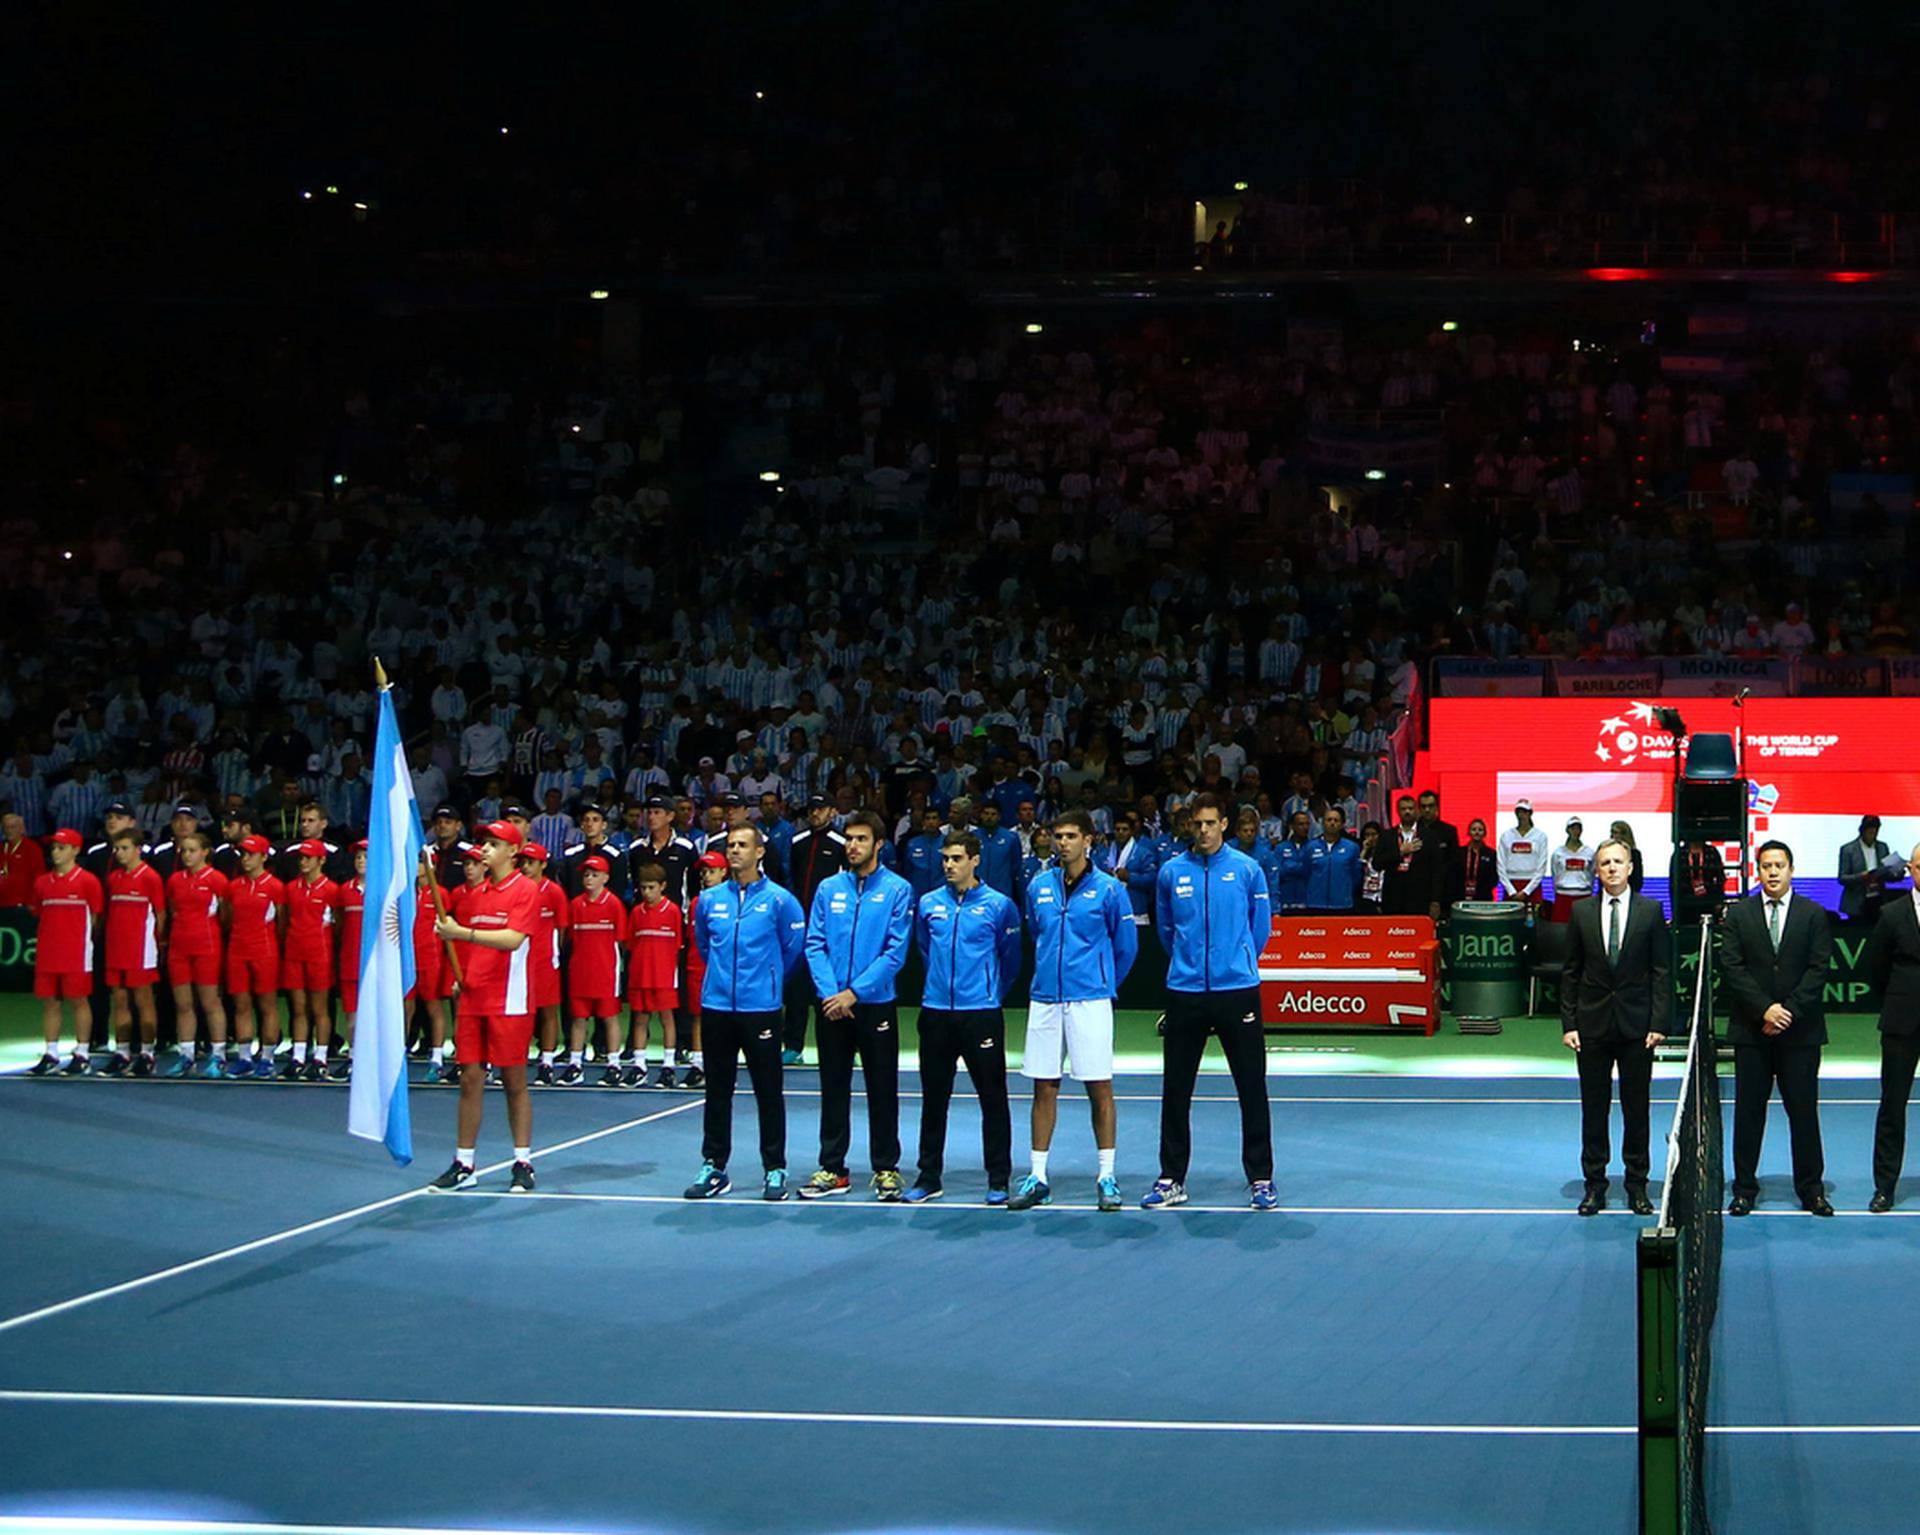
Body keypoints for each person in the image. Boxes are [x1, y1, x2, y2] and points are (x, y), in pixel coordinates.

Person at [1147, 791, 1278, 1210]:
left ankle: (1260, 1177)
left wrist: (1236, 963)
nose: (1202, 831)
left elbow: (1260, 929)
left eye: (1210, 823)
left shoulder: (1247, 869)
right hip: (1185, 993)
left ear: (1224, 824)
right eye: (1196, 824)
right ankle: (1171, 1178)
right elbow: (1166, 930)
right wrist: (1187, 964)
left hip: (1237, 990)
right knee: (1176, 1089)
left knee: (1251, 1086)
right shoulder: (1171, 872)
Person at [1011, 809, 1139, 1212]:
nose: (1062, 842)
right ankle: (1038, 1177)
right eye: (1057, 835)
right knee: (1043, 1086)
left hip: (1091, 999)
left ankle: (1106, 1176)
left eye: (1070, 836)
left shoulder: (1109, 890)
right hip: (1046, 998)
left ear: (1088, 840)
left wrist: (1102, 983)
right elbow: (1037, 933)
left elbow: (1126, 947)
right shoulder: (1038, 886)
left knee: (1098, 1086)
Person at [683, 823, 808, 1201]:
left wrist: (765, 981)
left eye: (742, 845)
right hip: (717, 1007)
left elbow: (792, 949)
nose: (734, 851)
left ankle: (775, 1168)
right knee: (717, 1091)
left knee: (768, 1091)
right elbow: (705, 946)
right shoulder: (709, 900)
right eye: (730, 845)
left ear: (759, 852)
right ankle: (714, 1166)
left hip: (761, 1010)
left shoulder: (780, 901)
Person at [800, 810, 914, 1200]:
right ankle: (833, 1169)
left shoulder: (898, 890)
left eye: (861, 839)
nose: (852, 845)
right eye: (849, 839)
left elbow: (895, 952)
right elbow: (813, 944)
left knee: (882, 1089)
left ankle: (886, 1169)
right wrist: (832, 993)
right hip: (832, 1006)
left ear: (878, 844)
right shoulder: (828, 889)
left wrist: (855, 993)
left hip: (875, 1004)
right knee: (833, 1088)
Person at [1718, 841, 1834, 1217]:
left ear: (1791, 869)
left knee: (1803, 1113)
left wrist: (1787, 1012)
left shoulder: (1813, 914)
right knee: (1749, 1113)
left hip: (1800, 1034)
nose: (1772, 872)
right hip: (1752, 1033)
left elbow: (1819, 969)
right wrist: (1765, 1009)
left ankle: (1811, 1190)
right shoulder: (1739, 915)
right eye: (1766, 865)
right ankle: (1744, 1189)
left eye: (1779, 865)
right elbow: (1732, 968)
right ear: (1757, 870)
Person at [907, 830, 1022, 1204]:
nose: (949, 865)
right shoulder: (927, 904)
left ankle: (999, 1178)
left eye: (956, 858)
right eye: (945, 859)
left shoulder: (999, 905)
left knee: (992, 1098)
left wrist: (989, 994)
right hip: (937, 1012)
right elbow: (924, 948)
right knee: (933, 1099)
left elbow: (1011, 960)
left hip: (982, 1015)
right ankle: (928, 1177)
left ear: (975, 860)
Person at [429, 820, 544, 1194]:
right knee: (469, 1079)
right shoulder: (472, 894)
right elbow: (464, 946)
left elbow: (512, 939)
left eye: (493, 844)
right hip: (474, 997)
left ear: (513, 851)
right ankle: (464, 1162)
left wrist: (461, 932)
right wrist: (460, 974)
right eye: (483, 843)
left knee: (514, 1081)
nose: (484, 850)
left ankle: (523, 1161)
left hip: (509, 999)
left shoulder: (526, 890)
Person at [1560, 839, 1670, 1216]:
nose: (1611, 868)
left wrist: (1658, 1022)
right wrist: (1569, 1023)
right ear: (1597, 869)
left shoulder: (1652, 911)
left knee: (1636, 1109)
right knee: (1594, 1110)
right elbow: (1571, 972)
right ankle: (1595, 1186)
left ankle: (1637, 1185)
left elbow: (1662, 972)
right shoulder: (1580, 912)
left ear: (1630, 867)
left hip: (1638, 1029)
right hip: (1591, 1027)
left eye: (1617, 862)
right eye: (1604, 862)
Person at [25, 828, 102, 1075]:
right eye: (54, 848)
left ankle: (82, 1053)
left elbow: (96, 917)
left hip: (76, 952)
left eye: (61, 847)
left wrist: (84, 942)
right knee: (50, 1002)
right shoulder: (41, 882)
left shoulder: (88, 881)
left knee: (79, 1001)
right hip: (48, 952)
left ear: (76, 850)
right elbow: (37, 912)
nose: (56, 852)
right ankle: (51, 1053)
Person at [1869, 843, 1920, 1211]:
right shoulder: (1891, 915)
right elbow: (1875, 969)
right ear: (1912, 870)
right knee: (1892, 1105)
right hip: (1902, 1023)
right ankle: (1884, 1187)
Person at [780, 795, 848, 1062]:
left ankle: (840, 1044)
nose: (815, 813)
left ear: (832, 811)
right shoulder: (797, 841)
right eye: (811, 809)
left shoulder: (842, 843)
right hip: (801, 927)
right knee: (796, 991)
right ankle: (793, 1046)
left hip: (831, 928)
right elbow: (791, 880)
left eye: (820, 809)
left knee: (829, 985)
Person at [162, 830, 229, 1077]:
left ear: (205, 852)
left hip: (207, 948)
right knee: (183, 1004)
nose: (187, 855)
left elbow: (225, 915)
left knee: (210, 1002)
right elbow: (172, 911)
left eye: (192, 850)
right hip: (179, 949)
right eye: (184, 850)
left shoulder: (217, 880)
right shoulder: (175, 881)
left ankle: (218, 1056)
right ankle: (186, 1055)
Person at [102, 828, 166, 1076]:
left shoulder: (150, 877)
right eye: (116, 848)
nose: (119, 853)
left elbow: (160, 914)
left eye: (125, 848)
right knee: (119, 1000)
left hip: (142, 949)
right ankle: (122, 1052)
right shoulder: (114, 878)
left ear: (138, 849)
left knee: (143, 1000)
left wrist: (158, 944)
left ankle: (148, 1054)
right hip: (116, 948)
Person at [563, 854, 628, 1085]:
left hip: (605, 973)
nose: (589, 879)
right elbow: (569, 938)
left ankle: (613, 1065)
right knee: (578, 1020)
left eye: (594, 874)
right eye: (586, 874)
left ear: (606, 878)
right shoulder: (575, 904)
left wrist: (617, 971)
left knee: (609, 1018)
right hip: (580, 972)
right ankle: (575, 1064)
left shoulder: (614, 905)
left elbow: (621, 941)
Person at [224, 834, 284, 1077]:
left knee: (267, 1005)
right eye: (243, 854)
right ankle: (244, 1056)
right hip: (237, 950)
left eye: (250, 854)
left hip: (265, 951)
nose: (245, 859)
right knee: (241, 1005)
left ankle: (267, 1058)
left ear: (263, 857)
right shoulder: (233, 886)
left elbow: (282, 922)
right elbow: (227, 918)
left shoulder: (274, 886)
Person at [282, 838, 340, 1081]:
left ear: (321, 860)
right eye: (301, 858)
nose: (303, 862)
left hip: (320, 954)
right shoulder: (291, 888)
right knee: (298, 1007)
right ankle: (297, 1057)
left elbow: (338, 925)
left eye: (308, 858)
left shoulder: (331, 890)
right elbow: (283, 920)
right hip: (295, 953)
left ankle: (320, 1057)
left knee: (319, 1008)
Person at [624, 862, 684, 1087]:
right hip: (640, 976)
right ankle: (639, 1066)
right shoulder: (636, 913)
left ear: (663, 886)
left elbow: (678, 944)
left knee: (667, 1019)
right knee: (640, 1020)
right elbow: (630, 944)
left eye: (651, 887)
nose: (646, 892)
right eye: (643, 888)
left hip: (664, 977)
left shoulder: (673, 912)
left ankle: (668, 1066)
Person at [519, 842, 570, 1086]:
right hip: (520, 960)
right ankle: (517, 1059)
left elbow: (561, 928)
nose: (526, 867)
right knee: (521, 1012)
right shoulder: (517, 889)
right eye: (524, 862)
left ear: (543, 864)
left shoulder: (554, 892)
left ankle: (547, 1062)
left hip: (545, 961)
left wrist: (554, 956)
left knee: (548, 1011)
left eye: (531, 862)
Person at [1094, 809, 1158, 925]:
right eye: (1117, 829)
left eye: (1125, 829)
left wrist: (1130, 877)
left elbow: (1152, 879)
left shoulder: (1143, 853)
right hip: (1108, 910)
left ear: (1132, 831)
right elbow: (1093, 876)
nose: (1121, 832)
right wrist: (1104, 876)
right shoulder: (1104, 853)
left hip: (1136, 910)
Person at [1839, 815, 1897, 926]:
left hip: (1879, 901)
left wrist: (1898, 871)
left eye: (1875, 832)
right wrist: (1861, 876)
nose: (1873, 835)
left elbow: (1890, 872)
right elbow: (1842, 878)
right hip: (1857, 903)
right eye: (1870, 833)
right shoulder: (1848, 850)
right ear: (1862, 831)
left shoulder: (1882, 847)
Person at [1303, 806, 1361, 915]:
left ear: (1342, 824)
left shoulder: (1352, 847)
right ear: (1322, 823)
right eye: (1329, 820)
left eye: (1336, 820)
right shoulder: (1310, 847)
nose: (1332, 823)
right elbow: (1306, 873)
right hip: (1316, 904)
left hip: (1343, 904)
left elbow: (1356, 876)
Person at [1417, 789, 1462, 912]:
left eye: (1430, 806)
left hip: (1444, 890)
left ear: (1437, 807)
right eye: (1423, 806)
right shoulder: (1411, 831)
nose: (1427, 810)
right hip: (1416, 890)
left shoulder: (1449, 831)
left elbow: (1454, 861)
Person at [1669, 837, 1728, 930]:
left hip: (1709, 903)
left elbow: (1720, 878)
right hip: (1686, 905)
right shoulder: (1679, 854)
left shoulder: (1712, 852)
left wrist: (1719, 901)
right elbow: (1673, 885)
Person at [1496, 799, 1547, 906]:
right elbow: (1500, 865)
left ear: (1530, 813)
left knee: (1533, 921)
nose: (1521, 815)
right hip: (1511, 885)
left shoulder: (1540, 836)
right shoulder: (1506, 835)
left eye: (1525, 812)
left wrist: (1526, 891)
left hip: (1533, 886)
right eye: (1519, 812)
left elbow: (1541, 867)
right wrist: (1511, 891)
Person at [1548, 819, 1594, 922]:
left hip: (1583, 896)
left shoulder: (1589, 852)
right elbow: (1555, 874)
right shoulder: (1558, 853)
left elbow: (1592, 874)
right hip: (1563, 896)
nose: (1575, 831)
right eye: (1572, 828)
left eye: (1578, 828)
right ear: (1567, 830)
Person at [0, 813, 47, 909]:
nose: (8, 831)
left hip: (22, 904)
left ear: (22, 829)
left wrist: (33, 901)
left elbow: (39, 877)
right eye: (5, 827)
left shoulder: (32, 848)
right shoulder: (1, 847)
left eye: (12, 827)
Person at [1459, 818, 1498, 902]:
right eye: (1474, 829)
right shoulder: (1460, 852)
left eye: (1480, 830)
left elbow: (1494, 876)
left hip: (1484, 897)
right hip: (1461, 896)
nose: (1477, 832)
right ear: (1469, 832)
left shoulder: (1491, 853)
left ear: (1484, 833)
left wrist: (1483, 889)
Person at [1608, 820, 1645, 893]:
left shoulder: (1634, 854)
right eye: (1611, 832)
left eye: (1615, 832)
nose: (1612, 836)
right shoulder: (1607, 852)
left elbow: (1637, 879)